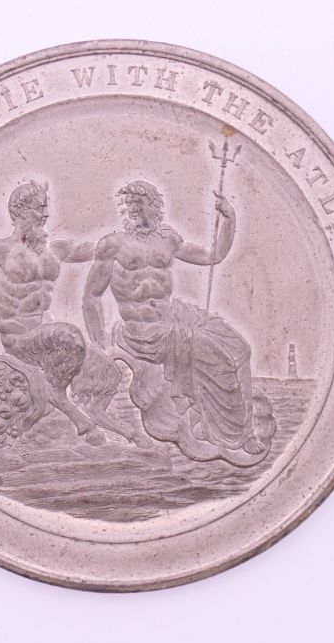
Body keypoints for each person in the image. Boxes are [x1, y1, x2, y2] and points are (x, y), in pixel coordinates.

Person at [82, 180, 274, 466]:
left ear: (154, 205)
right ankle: (235, 435)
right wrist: (101, 345)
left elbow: (212, 256)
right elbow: (91, 296)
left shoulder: (168, 239)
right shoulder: (112, 244)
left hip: (176, 317)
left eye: (139, 202)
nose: (132, 208)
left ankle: (241, 424)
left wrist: (229, 219)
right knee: (219, 359)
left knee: (240, 348)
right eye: (128, 204)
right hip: (144, 331)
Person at [0, 180, 139, 446]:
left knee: (108, 372)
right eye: (40, 208)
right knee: (70, 335)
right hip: (21, 342)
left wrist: (121, 239)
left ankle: (119, 428)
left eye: (46, 207)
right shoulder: (0, 252)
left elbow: (89, 249)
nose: (46, 214)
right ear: (20, 211)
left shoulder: (54, 250)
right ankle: (60, 400)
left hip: (49, 340)